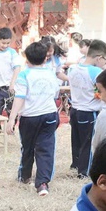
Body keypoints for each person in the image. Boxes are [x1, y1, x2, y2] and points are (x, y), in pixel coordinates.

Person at [8, 41, 64, 196]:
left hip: (29, 117)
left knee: (27, 147)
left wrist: (12, 119)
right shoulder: (50, 74)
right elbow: (55, 94)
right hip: (49, 115)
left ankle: (24, 176)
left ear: (27, 59)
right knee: (46, 149)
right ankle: (42, 183)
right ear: (45, 58)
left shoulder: (24, 75)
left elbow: (19, 97)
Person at [67, 40, 106, 178]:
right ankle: (84, 171)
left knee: (76, 139)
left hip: (74, 109)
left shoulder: (72, 68)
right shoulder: (97, 72)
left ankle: (76, 164)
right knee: (88, 142)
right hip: (88, 111)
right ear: (99, 58)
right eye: (105, 59)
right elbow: (99, 94)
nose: (105, 62)